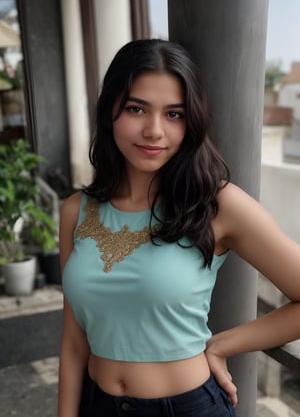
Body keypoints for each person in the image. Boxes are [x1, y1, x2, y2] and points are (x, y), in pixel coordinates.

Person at [58, 39, 300, 417]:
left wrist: (222, 345)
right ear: (109, 112)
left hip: (188, 408)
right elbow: (74, 342)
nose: (154, 131)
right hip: (96, 405)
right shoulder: (76, 211)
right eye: (137, 109)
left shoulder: (217, 205)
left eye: (174, 114)